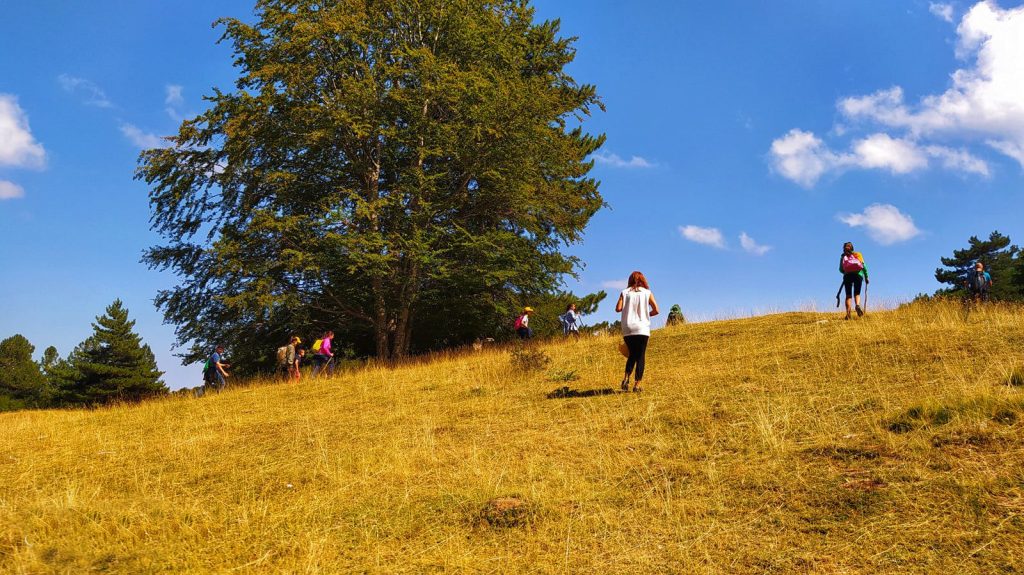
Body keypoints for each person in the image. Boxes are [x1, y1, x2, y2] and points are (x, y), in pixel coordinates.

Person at [615, 271, 660, 392]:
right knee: (640, 356)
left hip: (627, 328)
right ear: (643, 280)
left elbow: (618, 309)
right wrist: (646, 315)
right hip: (642, 328)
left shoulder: (624, 293)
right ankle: (637, 385)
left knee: (632, 354)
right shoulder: (647, 293)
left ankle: (625, 378)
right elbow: (656, 310)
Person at [839, 242, 869, 320]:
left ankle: (848, 314)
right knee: (857, 293)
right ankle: (857, 305)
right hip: (858, 275)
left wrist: (846, 272)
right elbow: (863, 265)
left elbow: (840, 269)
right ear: (852, 248)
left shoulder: (843, 256)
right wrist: (866, 277)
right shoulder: (858, 254)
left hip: (847, 276)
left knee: (848, 295)